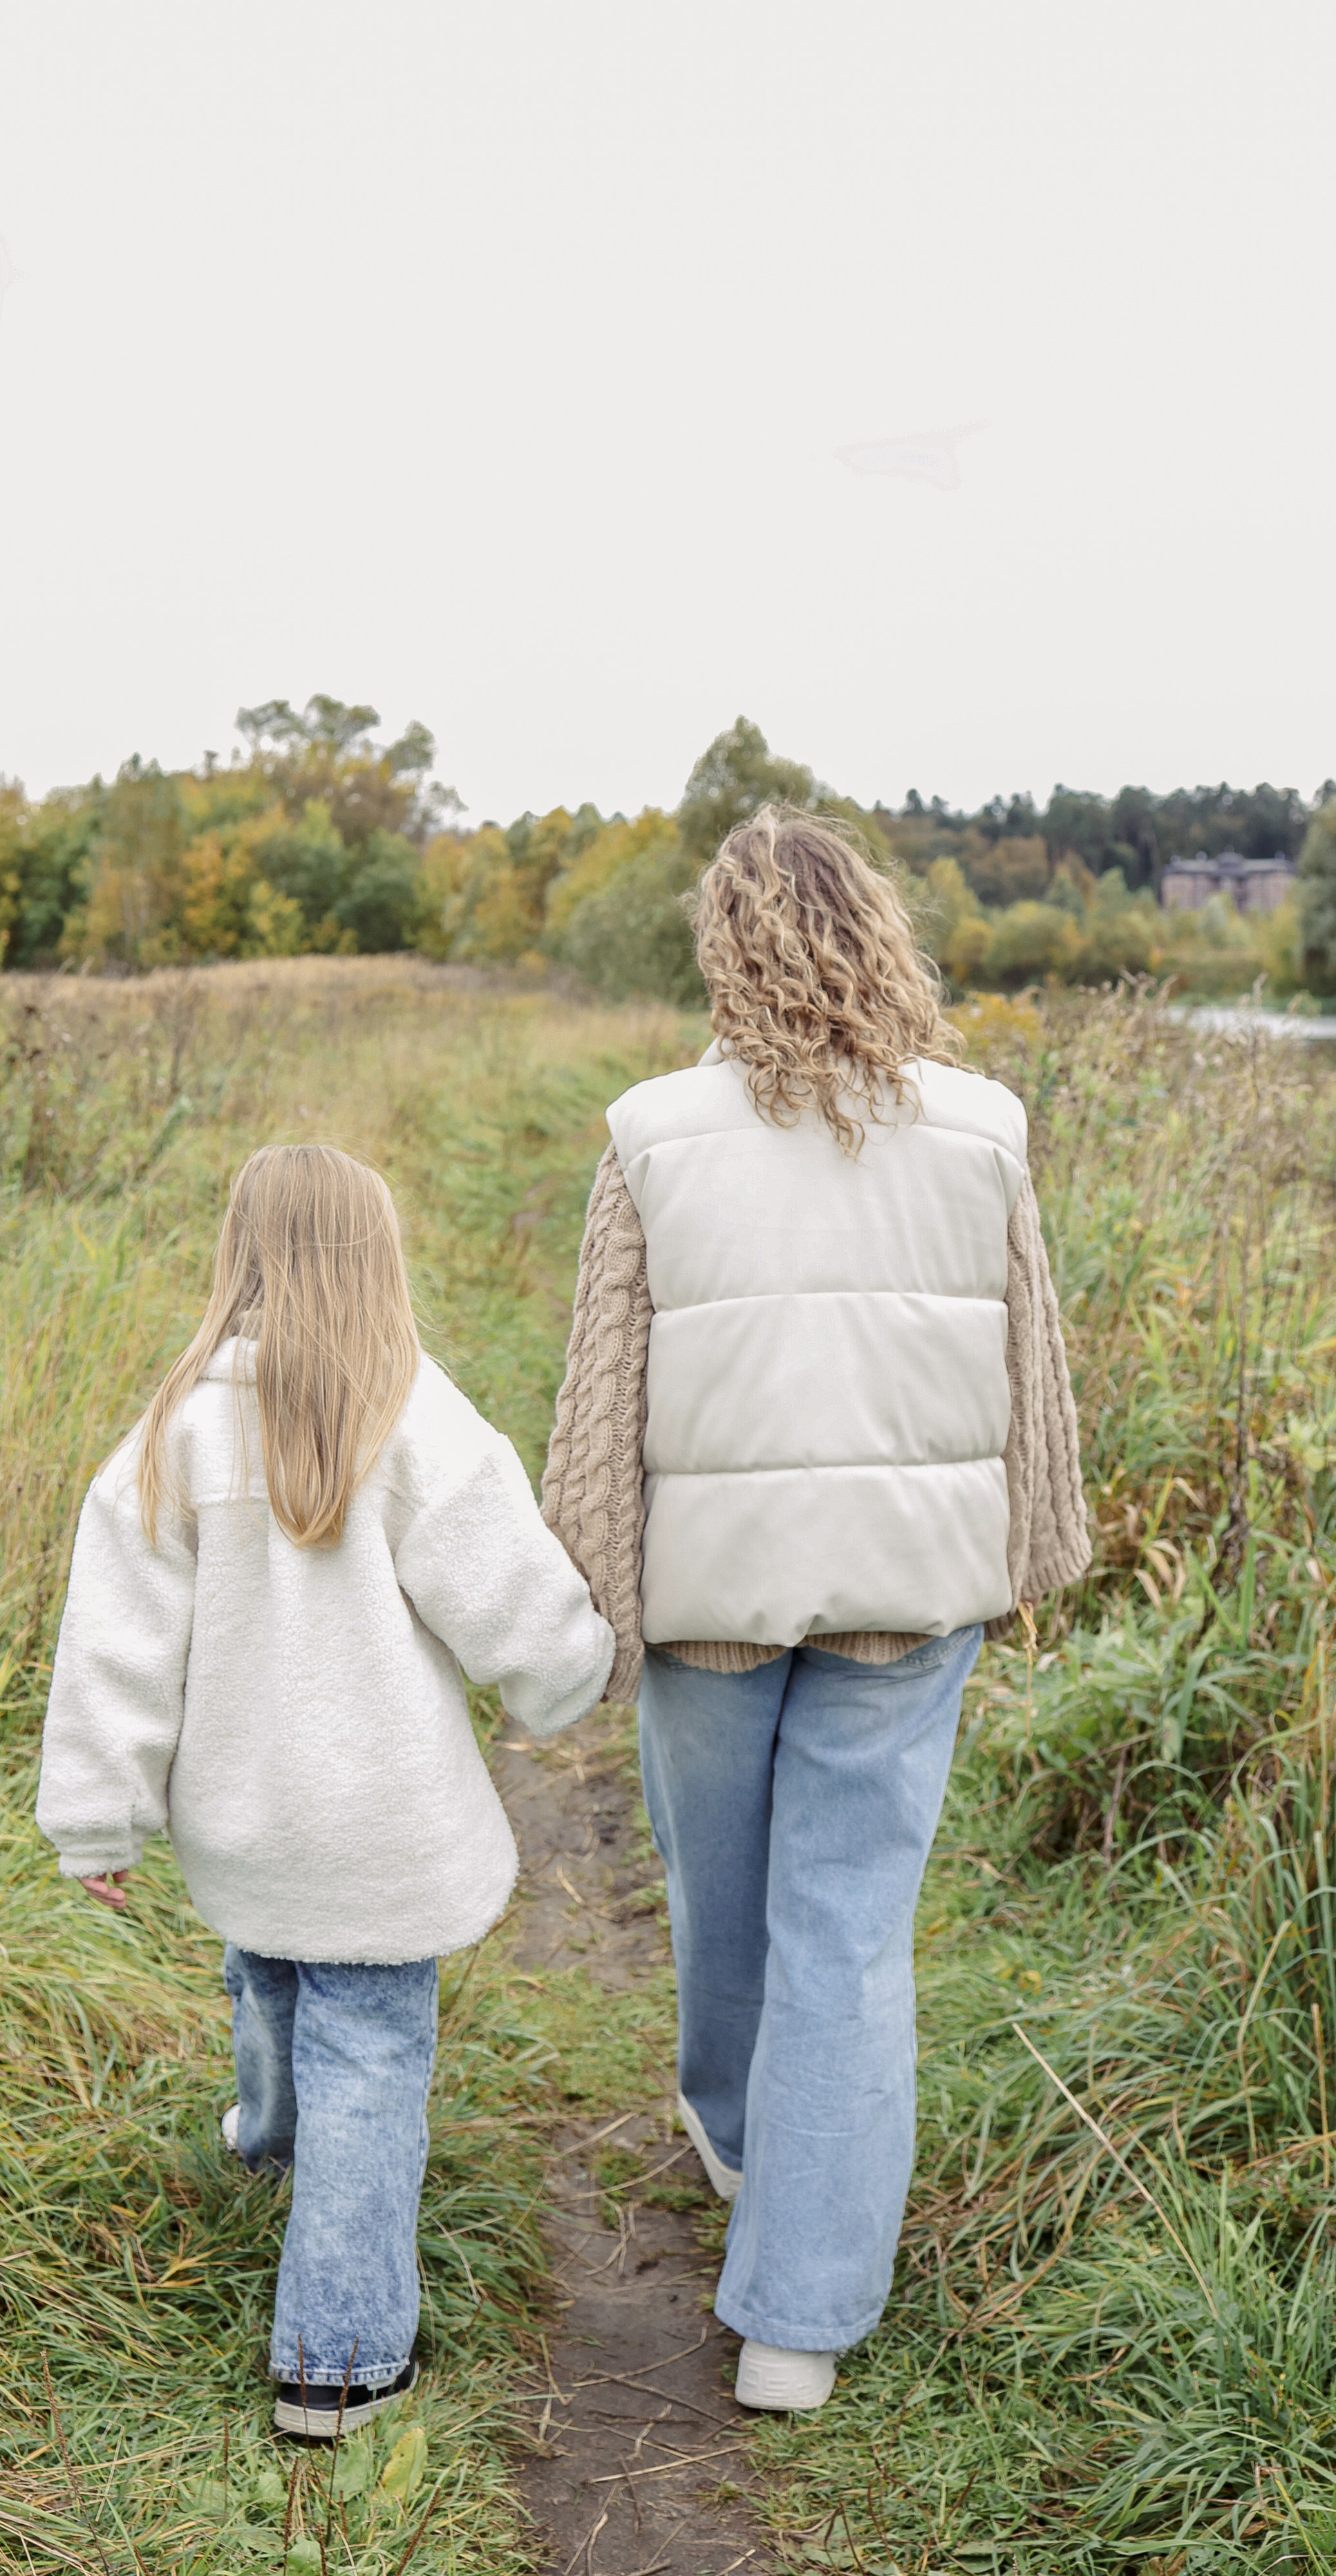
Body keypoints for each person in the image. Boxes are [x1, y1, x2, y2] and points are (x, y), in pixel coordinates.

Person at [542, 805, 1090, 2415]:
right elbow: (1027, 1368)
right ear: (880, 935)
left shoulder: (649, 1129)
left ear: (721, 946)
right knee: (844, 1934)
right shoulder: (980, 1125)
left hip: (713, 1601)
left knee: (723, 1898)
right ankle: (799, 2318)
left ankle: (737, 2147)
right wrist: (1032, 1548)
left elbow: (600, 1392)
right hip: (909, 1595)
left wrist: (596, 1599)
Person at [36, 1142, 613, 2438]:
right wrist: (568, 1674)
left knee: (272, 1973)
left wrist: (99, 1810)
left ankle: (269, 2149)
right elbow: (508, 1591)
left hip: (250, 1821)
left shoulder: (175, 1429)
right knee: (368, 2045)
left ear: (237, 1257)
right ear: (377, 1257)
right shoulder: (413, 1414)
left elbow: (115, 1642)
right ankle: (338, 2361)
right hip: (384, 1828)